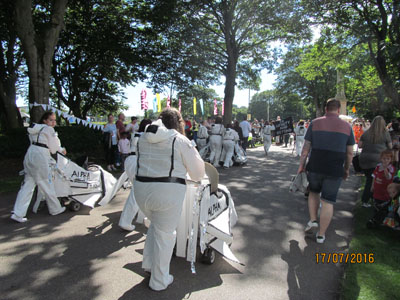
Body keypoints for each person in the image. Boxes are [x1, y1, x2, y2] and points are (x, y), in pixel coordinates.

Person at [134, 108, 205, 291]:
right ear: (178, 122)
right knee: (166, 234)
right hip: (167, 192)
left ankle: (149, 265)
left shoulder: (143, 137)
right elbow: (198, 173)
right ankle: (159, 280)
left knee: (156, 227)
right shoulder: (179, 139)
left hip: (141, 191)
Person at [297, 98, 355, 244]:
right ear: (339, 110)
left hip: (315, 165)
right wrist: (346, 169)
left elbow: (305, 148)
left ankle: (313, 220)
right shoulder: (347, 127)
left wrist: (301, 166)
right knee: (328, 201)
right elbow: (349, 153)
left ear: (325, 109)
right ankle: (321, 235)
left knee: (314, 192)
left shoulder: (315, 123)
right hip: (335, 168)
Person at [11, 111, 66, 223]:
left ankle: (18, 213)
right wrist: (61, 150)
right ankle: (55, 209)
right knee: (46, 182)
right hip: (40, 156)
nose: (53, 122)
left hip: (30, 154)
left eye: (54, 120)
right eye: (51, 120)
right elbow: (54, 147)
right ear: (45, 120)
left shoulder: (35, 129)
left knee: (28, 185)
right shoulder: (48, 129)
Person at [119, 118, 152, 232]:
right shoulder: (145, 136)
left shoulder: (137, 134)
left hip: (130, 161)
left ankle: (138, 217)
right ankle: (126, 221)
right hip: (136, 162)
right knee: (137, 192)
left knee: (138, 191)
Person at [358, 116, 392, 207]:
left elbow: (360, 145)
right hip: (378, 160)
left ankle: (371, 199)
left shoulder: (366, 133)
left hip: (365, 159)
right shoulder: (385, 134)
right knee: (374, 181)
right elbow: (390, 146)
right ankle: (367, 200)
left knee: (369, 179)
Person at [367, 150, 395, 228]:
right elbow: (374, 176)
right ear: (381, 159)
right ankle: (375, 217)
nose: (385, 160)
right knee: (376, 203)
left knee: (383, 206)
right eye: (384, 158)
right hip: (377, 189)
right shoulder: (378, 166)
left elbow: (388, 177)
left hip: (385, 190)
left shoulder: (391, 168)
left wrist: (385, 168)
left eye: (387, 159)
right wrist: (372, 186)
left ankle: (381, 219)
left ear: (390, 160)